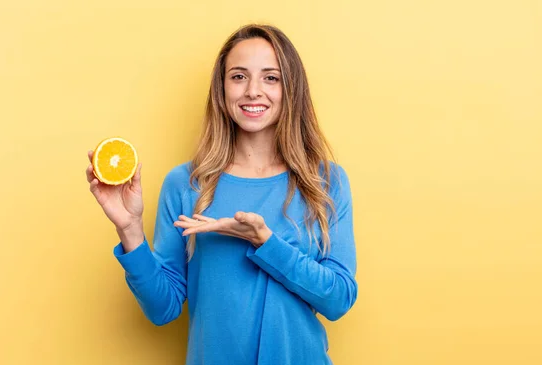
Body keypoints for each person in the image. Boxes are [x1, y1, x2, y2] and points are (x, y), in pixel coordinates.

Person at [86, 23, 358, 365]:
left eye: (270, 78)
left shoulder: (325, 182)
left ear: (291, 89)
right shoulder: (186, 184)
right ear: (222, 88)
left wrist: (266, 242)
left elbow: (339, 299)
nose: (253, 91)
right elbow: (162, 309)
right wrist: (129, 230)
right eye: (239, 76)